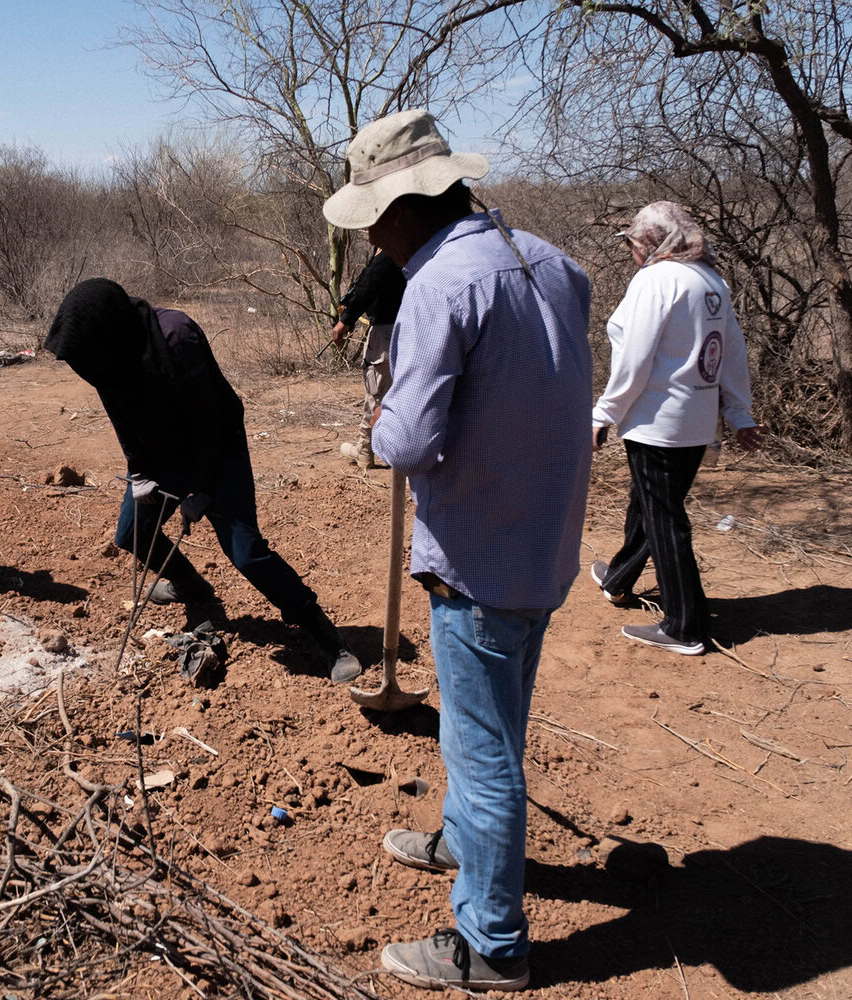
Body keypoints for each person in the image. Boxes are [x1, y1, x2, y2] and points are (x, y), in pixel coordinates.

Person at [324, 109, 593, 992]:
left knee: (483, 752)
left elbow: (407, 439)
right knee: (494, 726)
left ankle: (489, 946)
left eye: (372, 216)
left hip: (478, 552)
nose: (370, 233)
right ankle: (460, 841)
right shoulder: (556, 263)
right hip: (540, 542)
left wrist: (381, 418)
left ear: (405, 206)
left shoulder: (440, 285)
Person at [45, 278, 363, 684]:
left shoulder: (176, 336)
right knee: (132, 533)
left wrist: (202, 488)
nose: (83, 368)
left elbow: (208, 418)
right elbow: (121, 414)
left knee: (245, 553)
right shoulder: (107, 357)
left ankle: (327, 637)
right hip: (162, 457)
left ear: (111, 326)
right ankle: (191, 585)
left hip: (218, 451)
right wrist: (139, 470)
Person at [590, 201, 764, 655]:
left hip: (657, 420)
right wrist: (739, 413)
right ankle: (620, 578)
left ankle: (685, 625)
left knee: (664, 517)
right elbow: (732, 353)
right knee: (651, 502)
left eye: (633, 242)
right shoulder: (711, 280)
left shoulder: (656, 280)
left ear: (652, 241)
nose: (631, 251)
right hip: (697, 420)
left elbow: (635, 357)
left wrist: (604, 413)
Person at [331, 248, 406, 470]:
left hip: (385, 331)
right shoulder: (416, 250)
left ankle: (365, 448)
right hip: (411, 329)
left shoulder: (388, 255)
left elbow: (367, 288)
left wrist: (345, 320)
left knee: (377, 392)